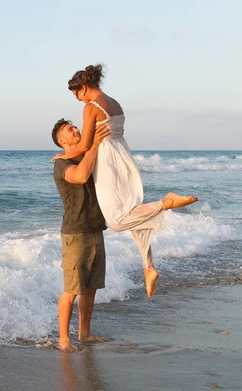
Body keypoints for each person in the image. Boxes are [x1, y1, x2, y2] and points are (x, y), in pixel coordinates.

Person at [53, 64, 198, 297]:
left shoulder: (92, 107)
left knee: (119, 220)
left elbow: (82, 145)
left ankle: (166, 202)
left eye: (77, 94)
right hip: (123, 155)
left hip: (108, 161)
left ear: (83, 87)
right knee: (133, 213)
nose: (79, 100)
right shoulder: (114, 102)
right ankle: (148, 267)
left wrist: (62, 155)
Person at [52, 120, 111, 351]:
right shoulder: (62, 163)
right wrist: (94, 145)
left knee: (91, 287)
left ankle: (84, 333)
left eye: (75, 127)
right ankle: (64, 339)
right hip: (75, 233)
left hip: (96, 228)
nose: (76, 130)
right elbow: (80, 176)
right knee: (72, 290)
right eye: (70, 130)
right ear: (61, 141)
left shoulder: (87, 154)